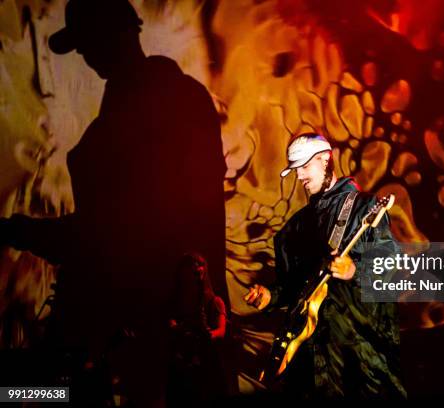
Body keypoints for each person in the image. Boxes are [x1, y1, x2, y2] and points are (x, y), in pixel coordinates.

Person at [0, 0, 225, 405]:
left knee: (25, 395)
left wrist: (17, 230)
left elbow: (113, 232)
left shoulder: (144, 111)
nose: (87, 57)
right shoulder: (165, 99)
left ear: (121, 34)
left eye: (90, 43)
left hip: (139, 331)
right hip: (150, 330)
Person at [244, 133, 407, 398]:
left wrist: (355, 270)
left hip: (358, 359)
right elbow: (294, 286)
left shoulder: (364, 208)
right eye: (296, 170)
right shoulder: (295, 227)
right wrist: (270, 295)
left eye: (305, 167)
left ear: (326, 159)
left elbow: (392, 268)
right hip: (310, 363)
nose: (300, 177)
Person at [167, 252, 228, 404]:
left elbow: (221, 331)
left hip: (207, 366)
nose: (196, 270)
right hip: (184, 368)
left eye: (199, 266)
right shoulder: (177, 305)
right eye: (192, 267)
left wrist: (209, 335)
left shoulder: (215, 301)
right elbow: (171, 326)